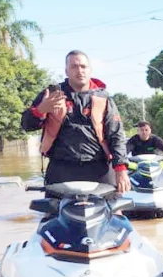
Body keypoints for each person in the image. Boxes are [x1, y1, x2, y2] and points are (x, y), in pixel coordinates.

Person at [21, 49, 130, 193]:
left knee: (115, 212)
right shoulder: (51, 95)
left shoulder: (103, 98)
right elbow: (26, 125)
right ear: (66, 71)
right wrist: (40, 110)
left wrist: (121, 169)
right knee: (52, 214)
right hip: (61, 168)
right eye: (74, 67)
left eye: (83, 66)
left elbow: (116, 135)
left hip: (99, 168)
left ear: (90, 70)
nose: (80, 71)